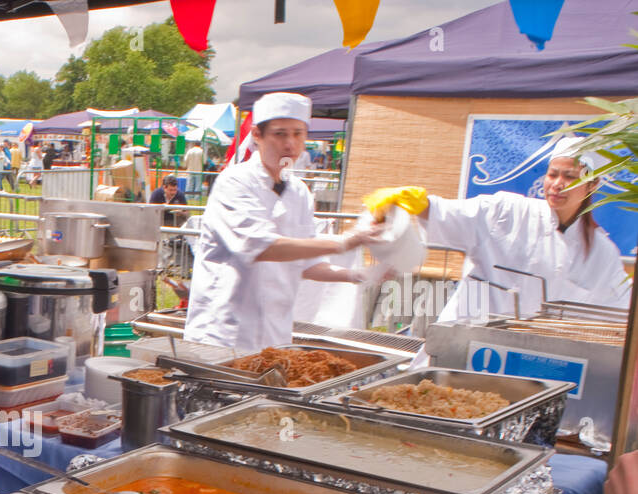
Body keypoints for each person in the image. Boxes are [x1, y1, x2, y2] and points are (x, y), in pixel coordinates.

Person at [183, 92, 380, 351]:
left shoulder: (299, 192)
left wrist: (357, 275)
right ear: (257, 135)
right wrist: (344, 242)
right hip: (225, 333)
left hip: (275, 335)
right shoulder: (235, 183)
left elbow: (307, 264)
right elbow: (261, 246)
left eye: (298, 134)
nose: (290, 144)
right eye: (280, 134)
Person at [366, 137, 632, 325]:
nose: (557, 184)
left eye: (570, 177)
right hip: (466, 341)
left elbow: (621, 307)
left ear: (592, 185)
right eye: (553, 174)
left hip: (539, 359)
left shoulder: (601, 253)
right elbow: (451, 215)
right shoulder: (508, 211)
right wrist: (419, 204)